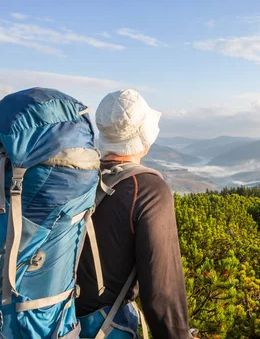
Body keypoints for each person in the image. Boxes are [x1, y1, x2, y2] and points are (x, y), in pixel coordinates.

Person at [76, 89, 190, 338]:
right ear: (143, 135)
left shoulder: (76, 177)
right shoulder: (147, 189)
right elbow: (163, 294)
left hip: (53, 324)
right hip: (102, 330)